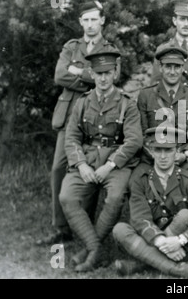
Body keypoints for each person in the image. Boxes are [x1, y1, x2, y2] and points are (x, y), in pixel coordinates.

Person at [37, 1, 120, 246]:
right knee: (59, 169)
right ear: (80, 22)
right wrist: (90, 75)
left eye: (95, 19)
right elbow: (59, 75)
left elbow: (111, 78)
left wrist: (78, 71)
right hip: (69, 118)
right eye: (86, 20)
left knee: (92, 169)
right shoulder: (71, 46)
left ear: (102, 20)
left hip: (97, 117)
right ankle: (62, 229)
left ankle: (85, 228)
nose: (90, 25)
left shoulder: (110, 49)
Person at [59, 50, 142, 272]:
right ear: (92, 75)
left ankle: (90, 251)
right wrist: (81, 164)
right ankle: (95, 248)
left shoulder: (127, 103)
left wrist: (110, 165)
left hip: (116, 162)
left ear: (115, 73)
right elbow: (72, 137)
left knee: (115, 198)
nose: (103, 78)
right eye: (98, 73)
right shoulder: (83, 102)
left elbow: (134, 140)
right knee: (66, 196)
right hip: (86, 158)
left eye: (107, 73)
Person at [112, 127, 188, 278]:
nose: (163, 156)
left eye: (168, 150)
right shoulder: (141, 181)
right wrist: (161, 241)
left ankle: (143, 263)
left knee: (186, 215)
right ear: (151, 151)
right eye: (158, 150)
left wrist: (178, 241)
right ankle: (176, 269)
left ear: (176, 151)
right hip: (156, 242)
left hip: (182, 247)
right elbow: (140, 218)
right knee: (120, 229)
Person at [137, 47, 188, 186]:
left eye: (177, 67)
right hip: (153, 157)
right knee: (136, 182)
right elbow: (141, 132)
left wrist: (186, 155)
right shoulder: (146, 95)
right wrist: (158, 156)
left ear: (182, 68)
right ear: (161, 68)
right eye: (168, 66)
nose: (172, 72)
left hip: (184, 158)